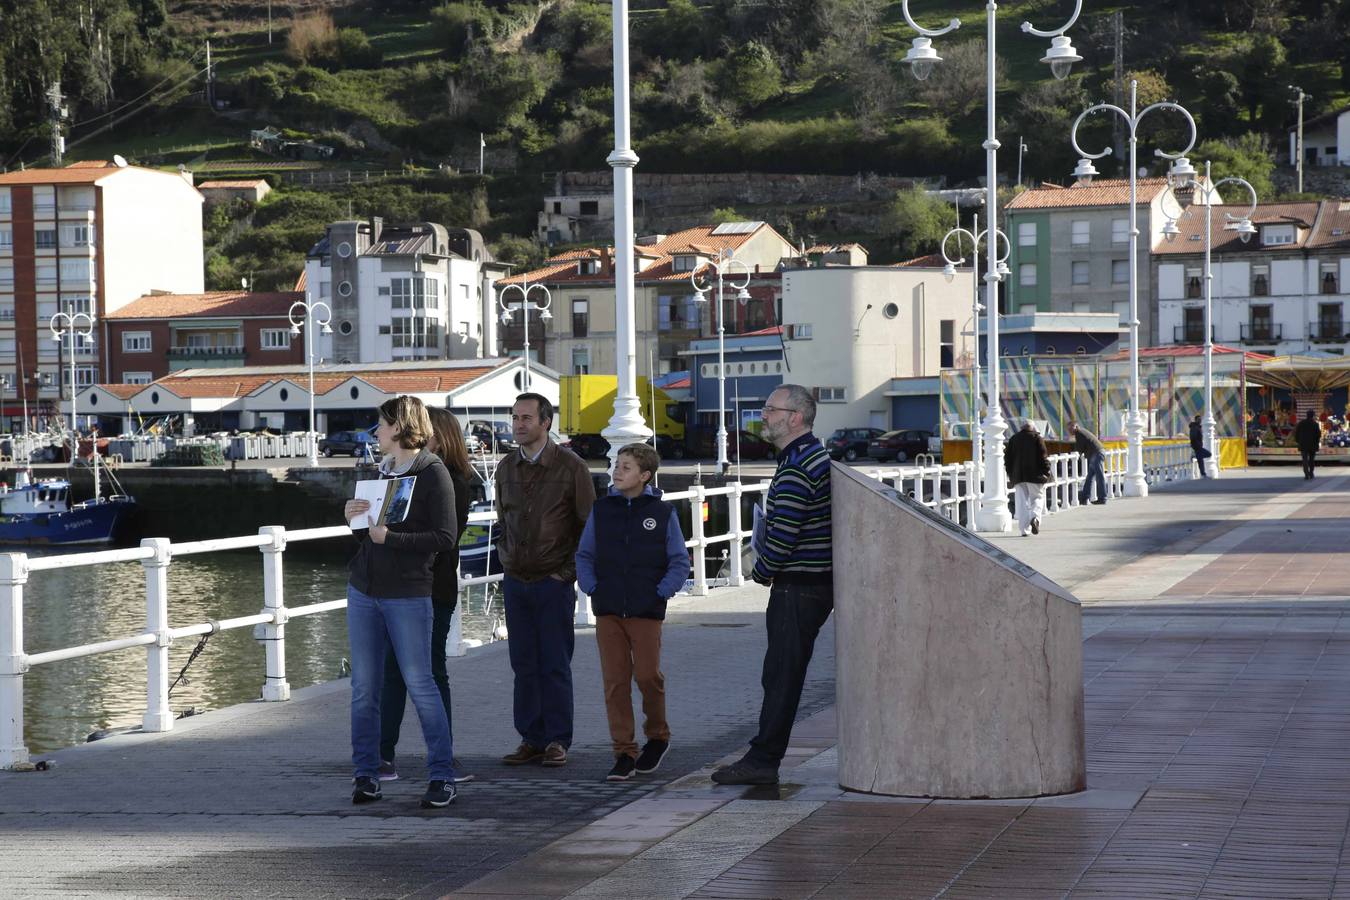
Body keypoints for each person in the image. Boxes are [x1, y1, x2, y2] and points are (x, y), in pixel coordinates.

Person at [712, 384, 832, 786]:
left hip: (798, 586)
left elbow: (786, 531)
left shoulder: (798, 465)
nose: (763, 416)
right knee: (780, 672)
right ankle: (763, 754)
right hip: (809, 584)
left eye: (770, 409)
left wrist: (761, 572)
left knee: (781, 674)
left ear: (795, 417)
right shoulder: (810, 456)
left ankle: (764, 760)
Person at [342, 396, 458, 808]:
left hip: (408, 594)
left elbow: (445, 538)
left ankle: (443, 776)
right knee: (363, 688)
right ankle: (366, 774)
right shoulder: (381, 469)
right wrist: (352, 517)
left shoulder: (432, 472)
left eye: (382, 424)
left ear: (401, 426)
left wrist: (389, 537)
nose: (376, 432)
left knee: (421, 684)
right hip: (364, 590)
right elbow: (366, 536)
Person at [575, 443, 688, 782]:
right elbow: (585, 554)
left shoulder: (663, 512)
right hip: (608, 609)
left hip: (646, 609)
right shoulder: (602, 510)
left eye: (625, 467)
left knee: (648, 676)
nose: (617, 472)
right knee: (615, 682)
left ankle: (658, 736)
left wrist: (662, 591)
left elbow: (680, 560)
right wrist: (591, 586)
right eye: (616, 465)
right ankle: (624, 752)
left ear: (644, 475)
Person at [495, 392, 597, 767]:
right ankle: (531, 738)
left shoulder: (571, 468)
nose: (519, 424)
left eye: (526, 418)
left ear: (545, 422)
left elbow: (588, 527)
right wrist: (506, 560)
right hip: (515, 579)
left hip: (553, 581)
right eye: (515, 417)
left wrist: (565, 574)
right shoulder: (505, 468)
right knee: (522, 663)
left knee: (554, 662)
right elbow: (502, 521)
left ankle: (557, 739)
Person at [379, 407, 475, 785]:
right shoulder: (399, 472)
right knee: (395, 672)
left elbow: (443, 538)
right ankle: (384, 756)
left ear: (437, 436)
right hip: (399, 585)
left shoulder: (448, 481)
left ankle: (442, 757)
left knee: (429, 672)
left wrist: (394, 535)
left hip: (432, 587)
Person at [1005, 422, 1050, 537]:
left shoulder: (1013, 439)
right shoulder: (1037, 438)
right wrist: (1047, 471)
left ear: (1021, 428)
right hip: (1035, 475)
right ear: (1033, 428)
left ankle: (1024, 530)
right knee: (1037, 497)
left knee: (1021, 502)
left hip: (1018, 476)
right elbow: (1043, 456)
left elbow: (1008, 459)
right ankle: (1034, 518)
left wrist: (1010, 474)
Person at [1069, 421, 1107, 505]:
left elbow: (1079, 447)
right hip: (1097, 453)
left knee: (1099, 477)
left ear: (1076, 426)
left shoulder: (1079, 433)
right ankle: (1085, 498)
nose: (1069, 430)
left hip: (1096, 454)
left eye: (1071, 428)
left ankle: (1102, 498)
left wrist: (1075, 455)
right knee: (1090, 477)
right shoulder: (1081, 432)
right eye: (1068, 429)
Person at [1294, 409, 1322, 480]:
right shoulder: (1315, 424)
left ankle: (1306, 474)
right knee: (1312, 459)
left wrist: (1298, 441)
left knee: (1305, 459)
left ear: (1306, 415)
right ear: (1313, 416)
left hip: (1303, 444)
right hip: (1313, 444)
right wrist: (1316, 441)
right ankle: (1311, 473)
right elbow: (1318, 434)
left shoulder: (1301, 423)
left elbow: (1297, 433)